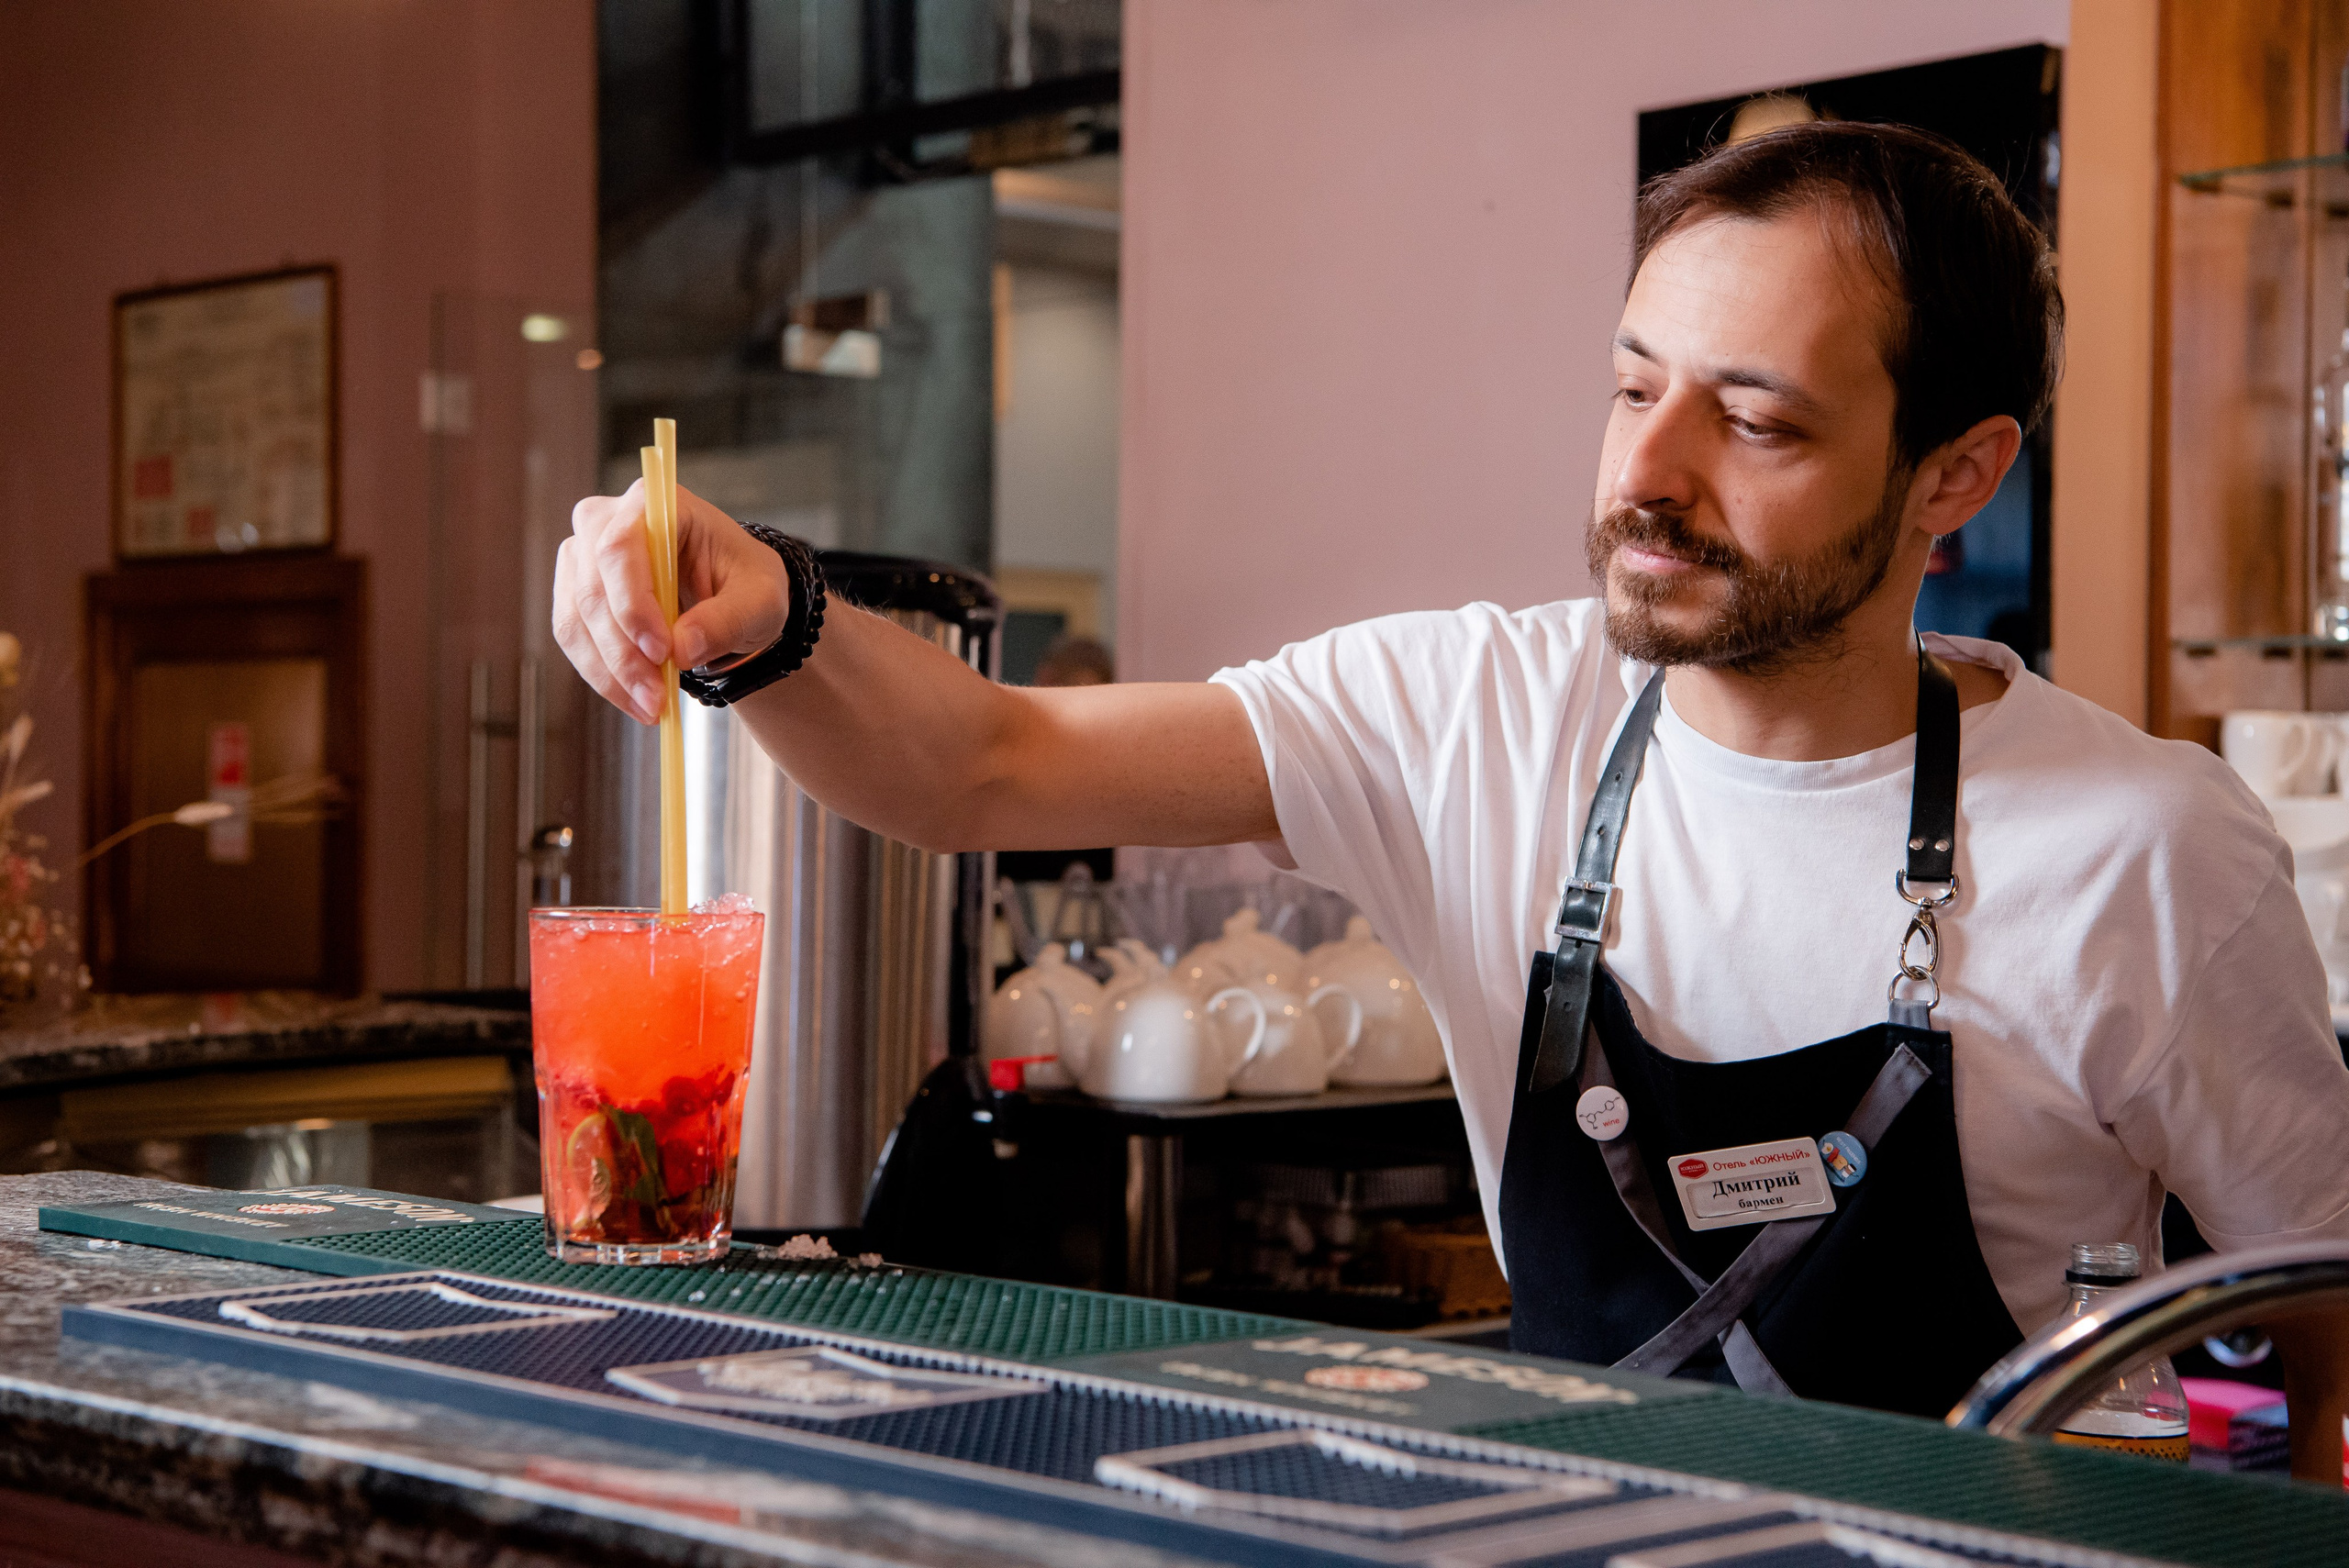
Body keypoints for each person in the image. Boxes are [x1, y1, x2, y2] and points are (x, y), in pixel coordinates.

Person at [554, 123, 2349, 1471]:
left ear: (1954, 474)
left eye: (1753, 421)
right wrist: (765, 612)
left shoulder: (2147, 852)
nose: (1645, 473)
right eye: (1629, 386)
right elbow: (984, 764)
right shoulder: (1470, 713)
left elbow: (2313, 1324)